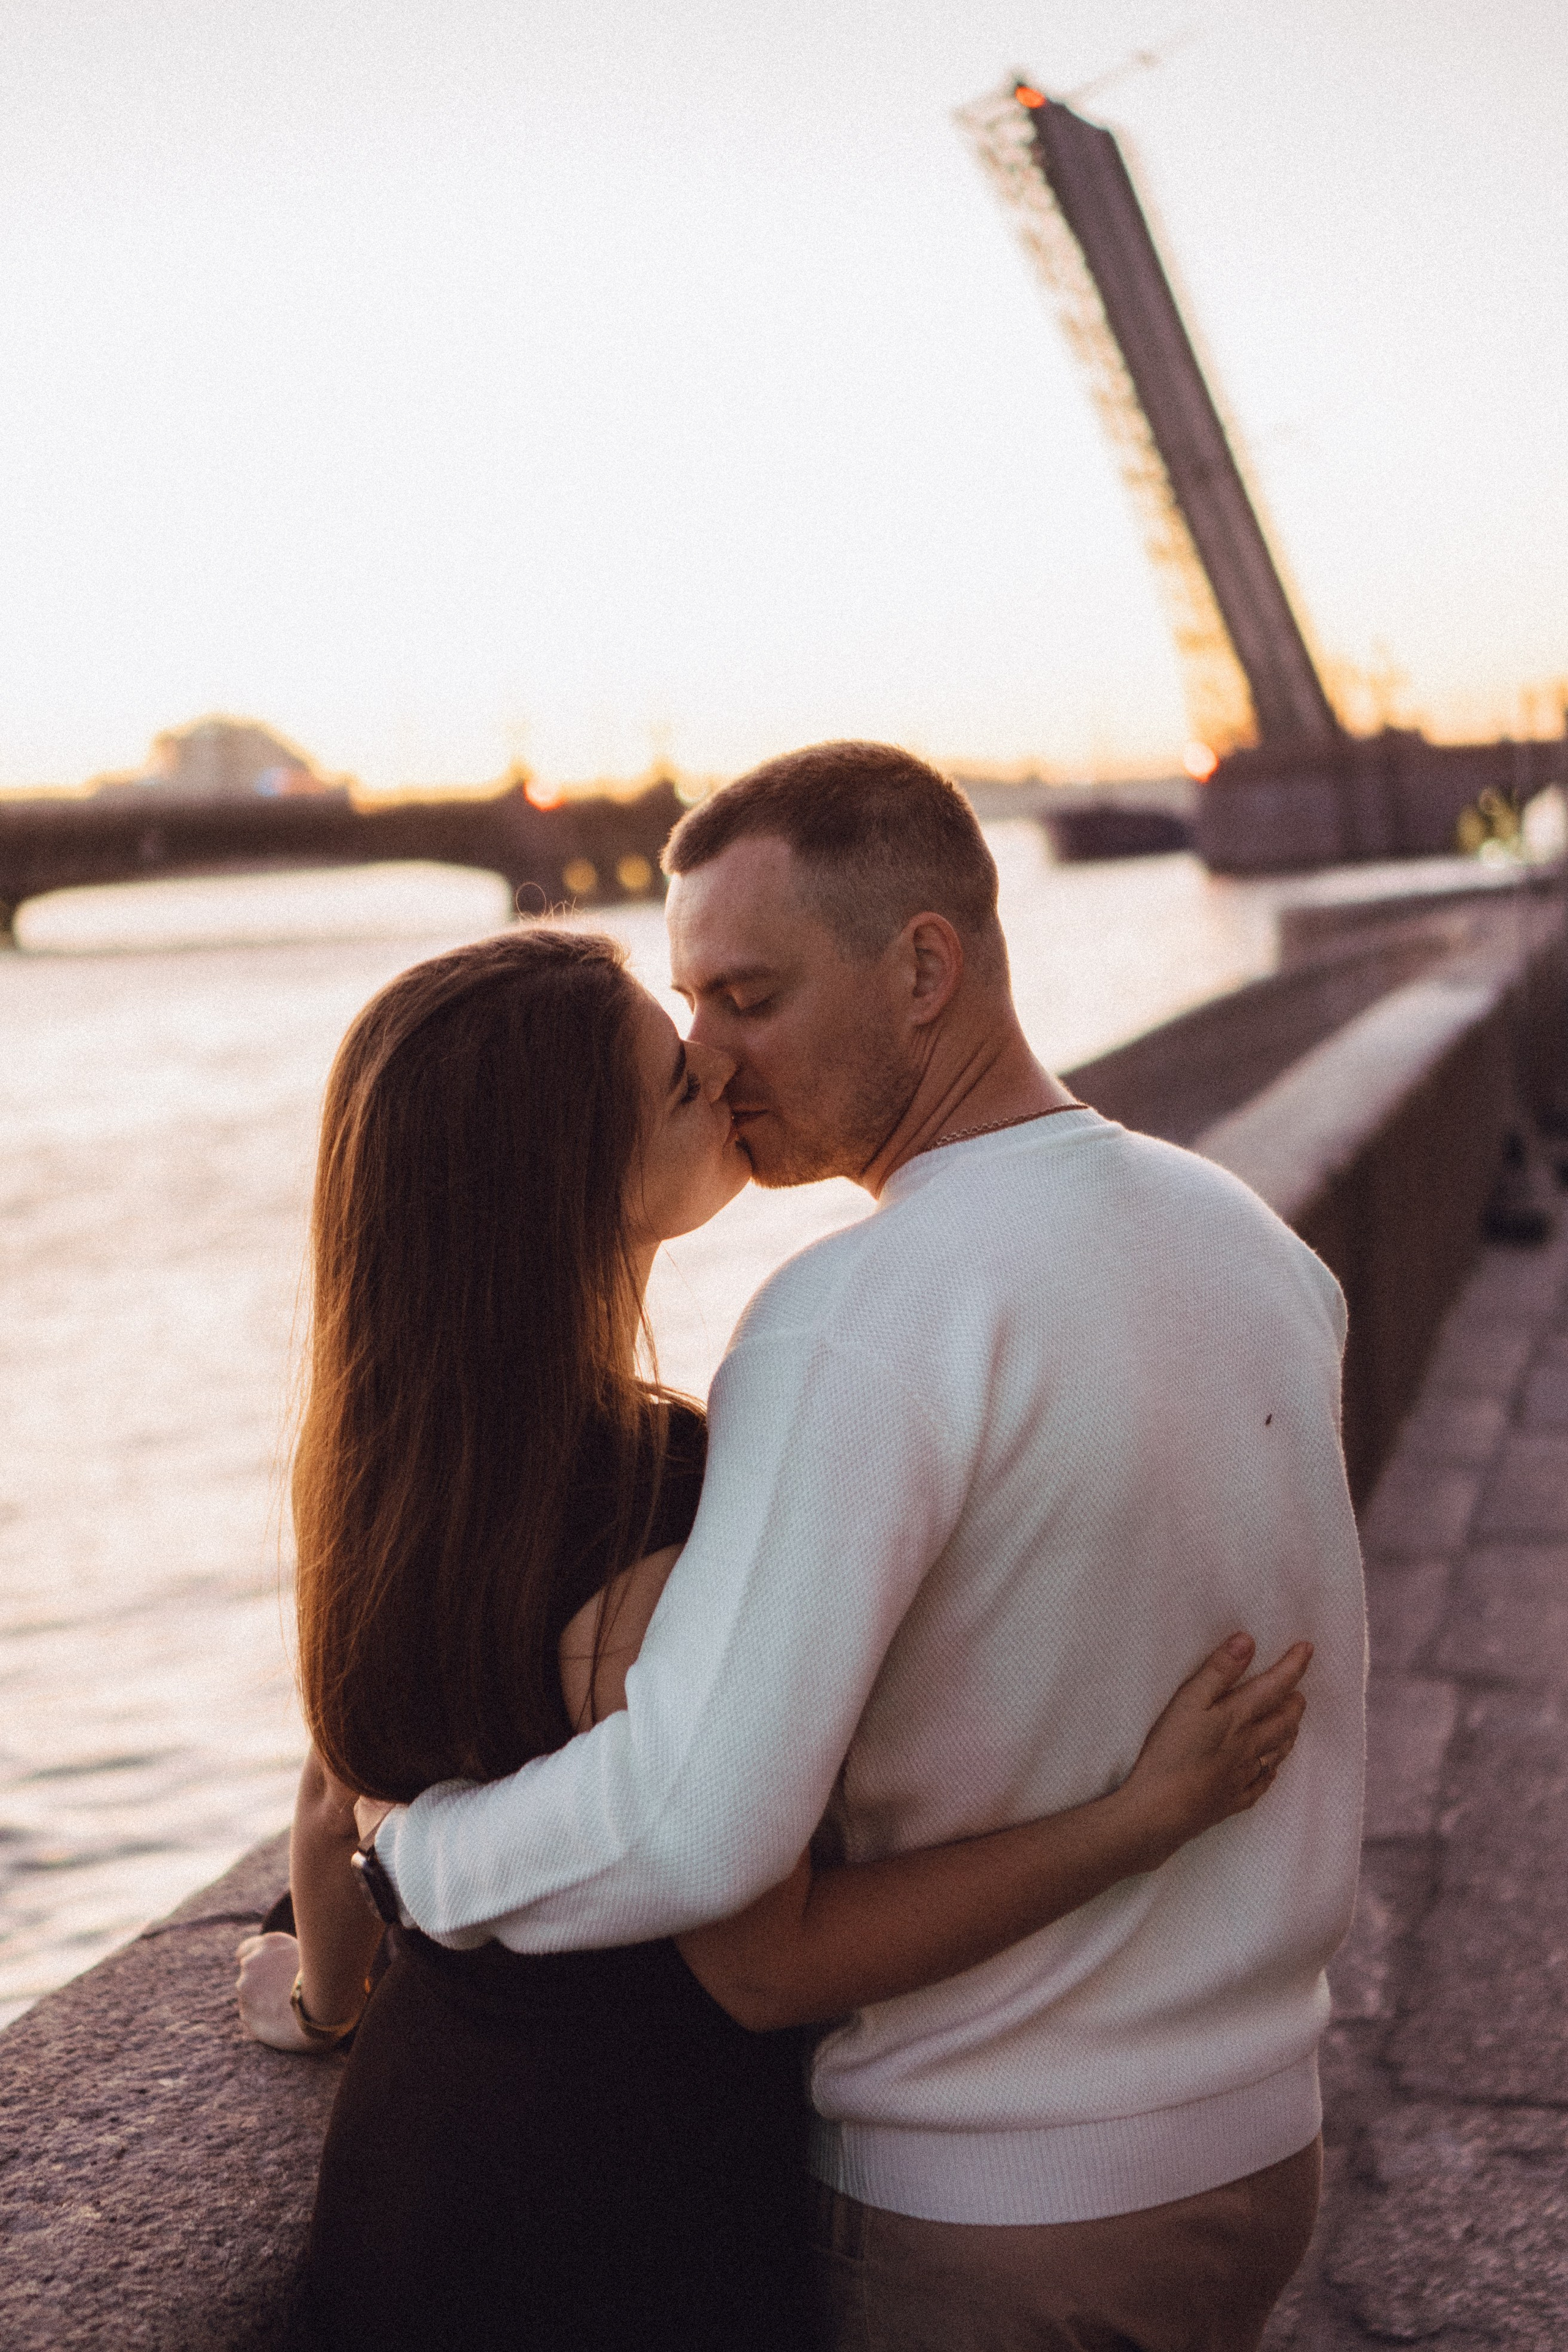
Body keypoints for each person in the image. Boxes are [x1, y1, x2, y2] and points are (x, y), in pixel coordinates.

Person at [352, 742, 1369, 2350]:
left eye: (749, 996)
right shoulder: (1250, 1243)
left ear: (922, 968)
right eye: (692, 1004)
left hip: (995, 2205)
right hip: (1256, 2152)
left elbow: (697, 1827)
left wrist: (419, 1855)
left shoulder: (850, 1321)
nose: (710, 1056)